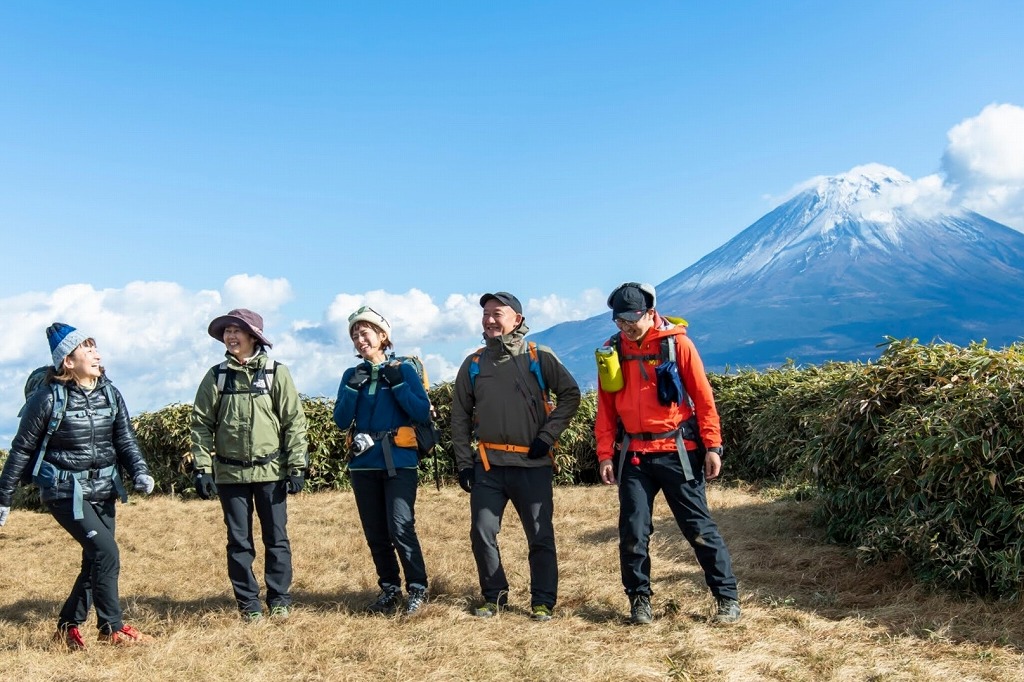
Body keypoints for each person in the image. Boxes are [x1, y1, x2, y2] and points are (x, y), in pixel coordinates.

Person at [0, 323, 156, 649]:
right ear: (68, 362)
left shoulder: (110, 393)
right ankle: (112, 628)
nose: (97, 354)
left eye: (95, 347)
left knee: (95, 560)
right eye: (87, 349)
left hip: (104, 489)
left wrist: (139, 471)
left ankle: (66, 628)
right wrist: (4, 498)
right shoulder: (47, 399)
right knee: (106, 552)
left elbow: (125, 438)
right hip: (64, 491)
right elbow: (21, 449)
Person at [594, 282, 741, 625]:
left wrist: (713, 446)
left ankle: (727, 599)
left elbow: (703, 398)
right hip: (634, 454)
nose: (626, 327)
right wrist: (604, 454)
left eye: (631, 319)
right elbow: (605, 408)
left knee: (698, 528)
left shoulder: (678, 344)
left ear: (649, 313)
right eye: (619, 321)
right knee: (633, 531)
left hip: (679, 451)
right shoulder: (612, 350)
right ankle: (639, 602)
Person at [451, 292, 581, 621]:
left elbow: (570, 395)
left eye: (497, 313)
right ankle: (493, 596)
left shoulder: (539, 356)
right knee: (481, 531)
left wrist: (547, 436)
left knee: (540, 535)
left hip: (532, 465)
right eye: (486, 314)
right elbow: (459, 415)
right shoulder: (474, 363)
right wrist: (465, 463)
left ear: (517, 320)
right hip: (489, 465)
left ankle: (542, 601)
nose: (489, 320)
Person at [190, 308, 308, 622]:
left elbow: (294, 422)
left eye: (236, 331)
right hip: (230, 474)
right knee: (239, 542)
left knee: (276, 538)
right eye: (227, 331)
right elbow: (201, 424)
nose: (230, 336)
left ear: (253, 337)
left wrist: (297, 466)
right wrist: (202, 468)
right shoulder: (216, 376)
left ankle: (279, 599)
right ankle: (249, 605)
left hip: (271, 471)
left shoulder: (276, 373)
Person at [333, 306, 432, 616]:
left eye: (365, 333)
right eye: (354, 336)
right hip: (363, 464)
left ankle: (417, 587)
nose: (359, 339)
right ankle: (389, 588)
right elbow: (340, 420)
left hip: (399, 461)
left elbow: (421, 411)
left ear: (382, 335)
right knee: (375, 531)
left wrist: (398, 383)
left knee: (401, 526)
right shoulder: (351, 375)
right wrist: (352, 388)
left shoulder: (405, 371)